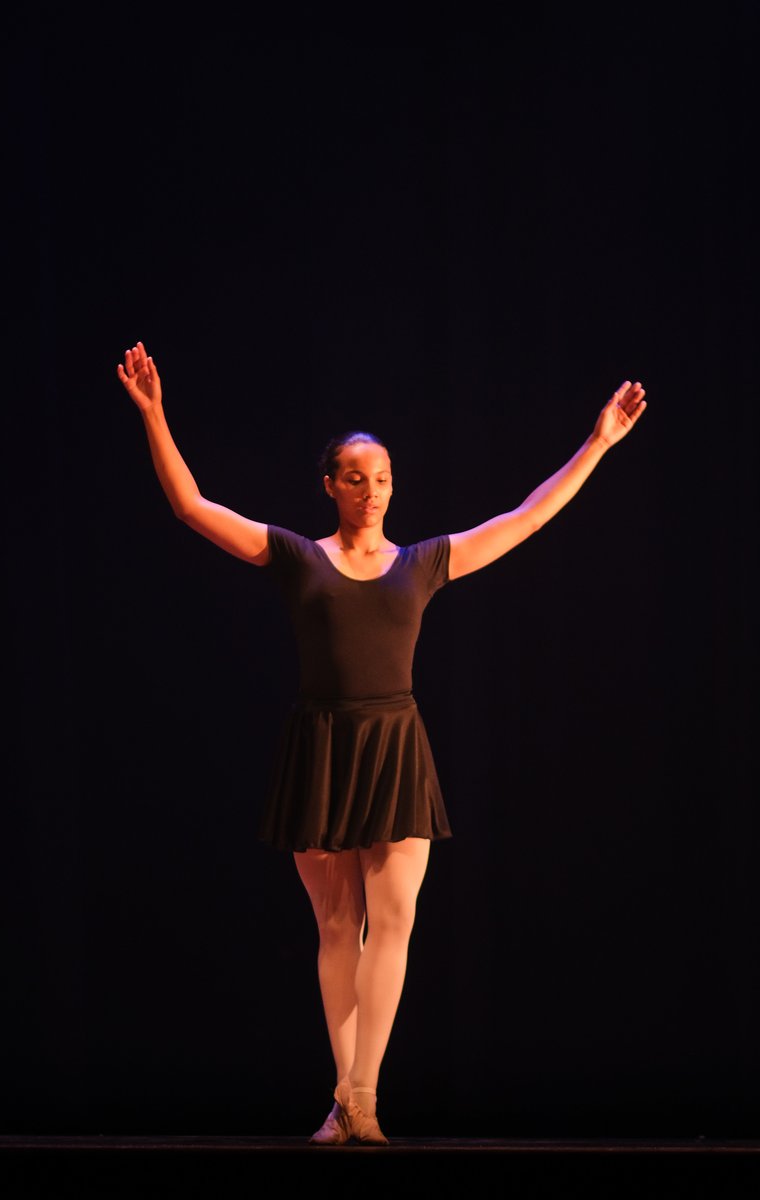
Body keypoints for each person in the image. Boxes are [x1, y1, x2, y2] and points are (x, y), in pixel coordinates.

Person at [117, 341, 646, 1145]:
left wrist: (598, 442)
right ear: (330, 486)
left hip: (396, 745)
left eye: (384, 478)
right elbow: (192, 506)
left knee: (393, 922)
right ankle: (346, 1099)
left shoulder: (421, 564)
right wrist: (156, 415)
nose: (372, 491)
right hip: (323, 747)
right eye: (356, 478)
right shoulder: (297, 558)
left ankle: (360, 1096)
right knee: (338, 928)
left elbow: (527, 517)